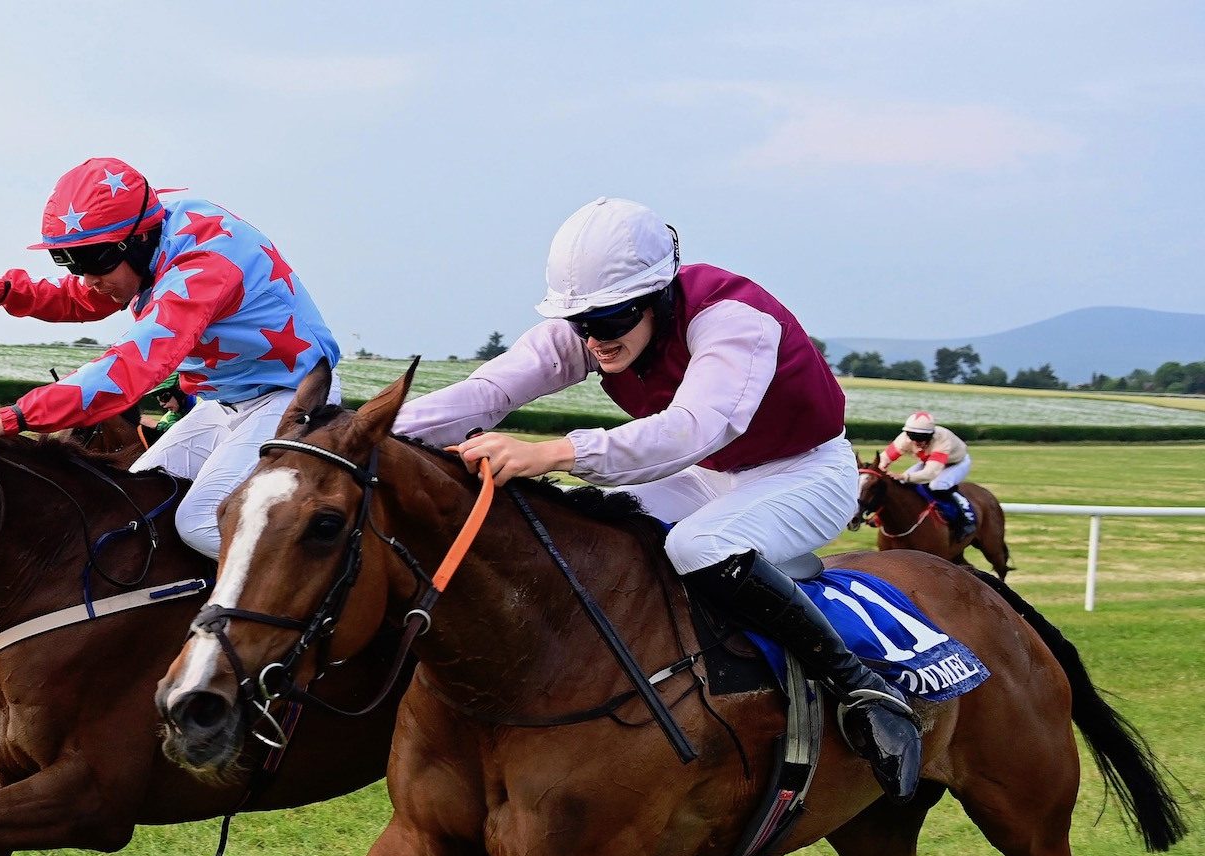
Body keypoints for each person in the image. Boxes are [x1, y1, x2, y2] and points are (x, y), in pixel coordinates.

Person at [393, 197, 921, 801]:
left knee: (698, 543)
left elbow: (696, 427)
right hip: (706, 473)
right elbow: (484, 394)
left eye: (611, 320)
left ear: (658, 296)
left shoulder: (732, 319)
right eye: (580, 322)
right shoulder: (591, 329)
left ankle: (862, 692)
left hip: (805, 472)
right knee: (590, 531)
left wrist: (554, 451)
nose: (593, 339)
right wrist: (359, 436)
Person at [0, 156, 341, 558]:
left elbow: (130, 367)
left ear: (138, 238)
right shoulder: (155, 239)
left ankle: (342, 608)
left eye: (94, 260)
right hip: (227, 404)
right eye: (70, 260)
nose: (87, 276)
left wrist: (7, 419)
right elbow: (85, 297)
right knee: (140, 504)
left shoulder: (205, 264)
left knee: (197, 523)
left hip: (296, 400)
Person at [882, 410, 974, 538]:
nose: (917, 442)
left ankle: (964, 519)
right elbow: (884, 458)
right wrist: (879, 470)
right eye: (913, 436)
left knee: (938, 485)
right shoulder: (904, 439)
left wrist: (905, 476)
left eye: (922, 438)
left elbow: (931, 473)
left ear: (931, 435)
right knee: (902, 483)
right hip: (930, 461)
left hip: (956, 463)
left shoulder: (942, 439)